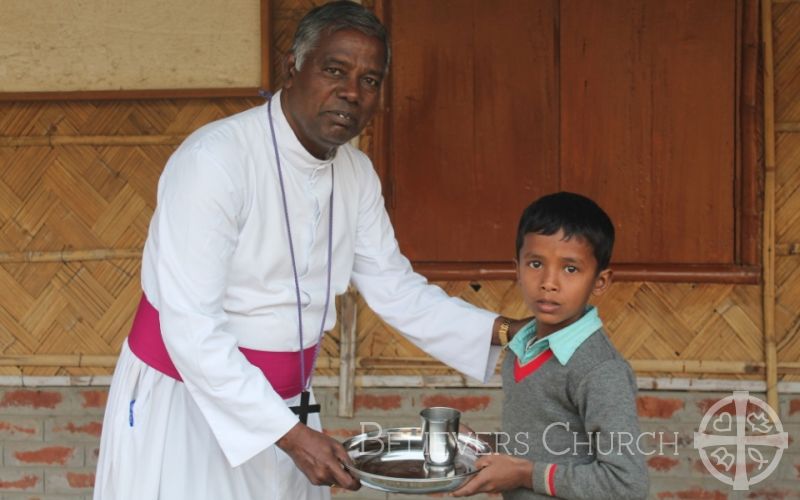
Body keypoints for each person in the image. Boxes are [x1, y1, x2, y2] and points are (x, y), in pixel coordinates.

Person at [93, 2, 526, 499]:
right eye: (335, 70)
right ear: (292, 68)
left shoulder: (356, 174)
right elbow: (191, 326)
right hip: (188, 405)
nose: (351, 93)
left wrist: (510, 332)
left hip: (289, 407)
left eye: (370, 80)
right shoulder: (215, 162)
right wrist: (290, 436)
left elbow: (394, 288)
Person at [453, 192, 649, 499]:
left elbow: (626, 484)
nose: (549, 282)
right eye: (535, 263)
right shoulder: (522, 345)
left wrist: (523, 474)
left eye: (570, 268)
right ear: (516, 268)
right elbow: (545, 445)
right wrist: (480, 447)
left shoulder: (600, 370)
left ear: (600, 281)